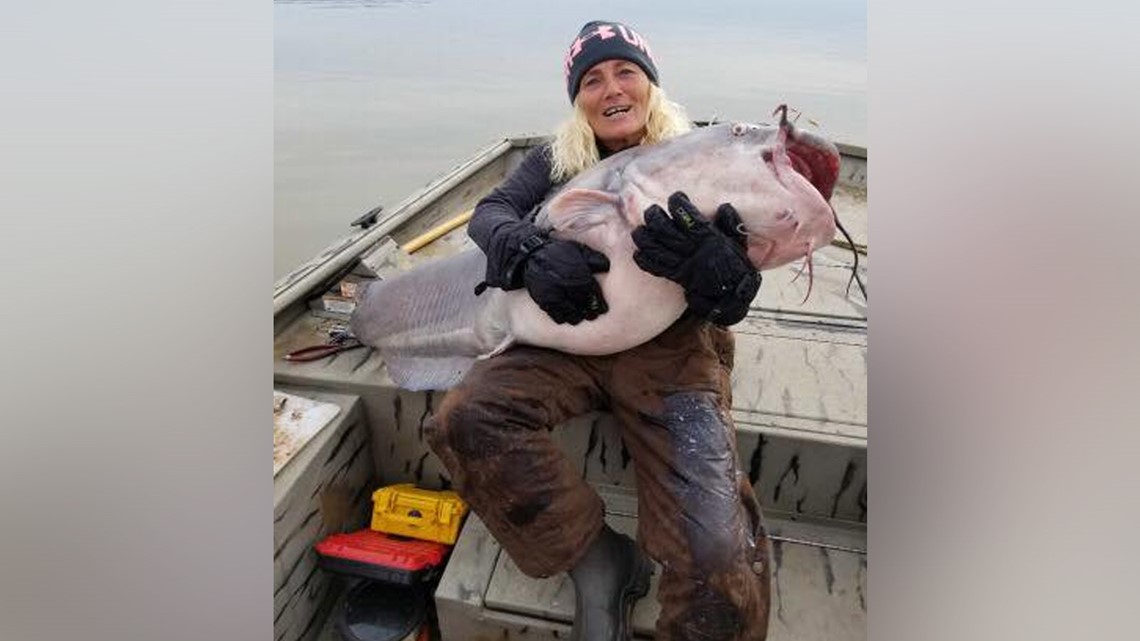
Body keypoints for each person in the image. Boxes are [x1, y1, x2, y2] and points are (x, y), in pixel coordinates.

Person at [425, 20, 771, 641]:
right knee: (463, 418)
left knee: (721, 561)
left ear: (650, 84)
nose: (611, 89)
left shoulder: (702, 156)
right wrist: (529, 252)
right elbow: (490, 214)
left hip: (671, 354)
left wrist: (721, 273)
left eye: (625, 72)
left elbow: (737, 291)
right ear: (577, 98)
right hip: (567, 337)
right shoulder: (557, 159)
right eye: (592, 79)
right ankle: (598, 559)